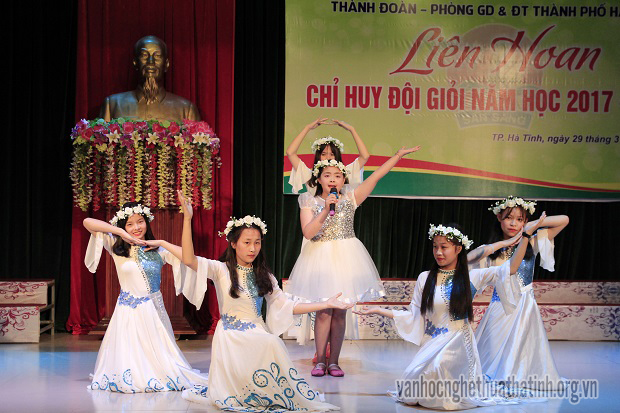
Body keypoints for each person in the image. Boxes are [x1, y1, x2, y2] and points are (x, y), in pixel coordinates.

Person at [175, 191, 346, 411]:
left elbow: (288, 306)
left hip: (256, 330)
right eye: (247, 242)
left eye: (257, 243)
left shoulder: (264, 276)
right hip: (230, 334)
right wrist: (187, 219)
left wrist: (326, 304)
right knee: (270, 344)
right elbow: (188, 259)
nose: (252, 248)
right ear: (233, 244)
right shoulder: (220, 270)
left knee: (271, 343)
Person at [354, 217, 546, 410]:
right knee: (411, 391)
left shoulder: (472, 276)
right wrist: (380, 310)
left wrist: (525, 236)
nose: (438, 252)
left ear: (458, 249)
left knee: (437, 370)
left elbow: (511, 268)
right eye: (435, 247)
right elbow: (414, 314)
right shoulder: (425, 278)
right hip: (433, 342)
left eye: (444, 247)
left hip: (458, 341)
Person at [287, 146, 421, 378]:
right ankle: (320, 361)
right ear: (318, 178)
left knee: (340, 312)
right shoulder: (308, 200)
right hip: (319, 258)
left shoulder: (351, 197)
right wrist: (326, 209)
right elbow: (308, 233)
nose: (333, 179)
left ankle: (334, 362)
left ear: (343, 179)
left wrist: (397, 156)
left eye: (338, 175)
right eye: (327, 175)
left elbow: (376, 176)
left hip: (346, 257)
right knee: (324, 311)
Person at [83, 202, 208, 393]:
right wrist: (120, 232)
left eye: (140, 221)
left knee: (160, 357)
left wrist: (163, 242)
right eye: (130, 224)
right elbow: (87, 222)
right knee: (129, 356)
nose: (136, 227)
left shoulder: (158, 251)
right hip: (127, 312)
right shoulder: (116, 246)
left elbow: (188, 258)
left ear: (147, 222)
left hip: (153, 311)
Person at [468, 196, 569, 389]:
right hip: (499, 308)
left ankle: (516, 378)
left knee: (521, 352)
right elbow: (467, 262)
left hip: (525, 307)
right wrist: (501, 245)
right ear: (499, 217)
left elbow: (564, 220)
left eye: (519, 219)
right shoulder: (491, 250)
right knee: (492, 355)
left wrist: (532, 226)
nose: (514, 223)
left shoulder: (532, 243)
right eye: (509, 217)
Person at [99, 35, 200, 122]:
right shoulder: (112, 104)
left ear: (166, 64)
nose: (150, 62)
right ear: (135, 63)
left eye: (157, 56)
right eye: (144, 55)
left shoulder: (186, 109)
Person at [286, 118, 369, 194]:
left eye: (332, 154)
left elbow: (364, 156)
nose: (328, 158)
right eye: (323, 154)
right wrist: (307, 128)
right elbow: (290, 153)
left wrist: (352, 130)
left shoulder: (345, 172)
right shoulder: (310, 176)